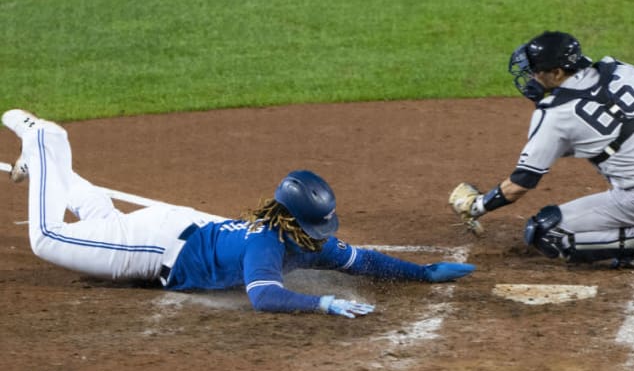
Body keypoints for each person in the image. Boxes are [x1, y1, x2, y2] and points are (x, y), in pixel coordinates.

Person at [2, 109, 475, 318]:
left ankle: (43, 162)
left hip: (173, 229)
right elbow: (265, 297)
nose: (320, 237)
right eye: (315, 228)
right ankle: (44, 140)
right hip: (154, 246)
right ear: (294, 221)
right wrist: (322, 304)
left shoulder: (304, 241)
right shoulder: (267, 243)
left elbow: (364, 261)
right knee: (48, 237)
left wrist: (423, 274)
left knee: (98, 224)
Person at [449, 31, 634, 270]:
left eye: (536, 71)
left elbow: (522, 182)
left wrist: (478, 206)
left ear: (558, 73)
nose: (531, 77)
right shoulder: (619, 69)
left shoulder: (554, 115)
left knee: (545, 232)